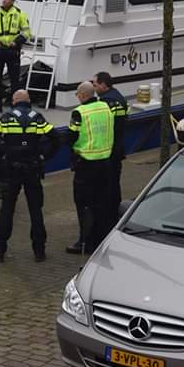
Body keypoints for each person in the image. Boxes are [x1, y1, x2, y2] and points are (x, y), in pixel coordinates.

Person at [0, 89, 53, 263]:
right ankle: (39, 251)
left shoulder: (7, 118)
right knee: (35, 210)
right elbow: (54, 138)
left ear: (14, 101)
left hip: (12, 169)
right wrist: (43, 155)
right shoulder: (38, 117)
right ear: (28, 100)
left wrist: (4, 152)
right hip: (33, 169)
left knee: (7, 209)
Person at [63, 81, 114, 255]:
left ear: (83, 95)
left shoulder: (79, 112)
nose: (77, 98)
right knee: (101, 203)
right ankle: (101, 238)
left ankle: (85, 241)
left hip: (86, 164)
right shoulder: (105, 107)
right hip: (105, 162)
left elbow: (71, 136)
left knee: (84, 205)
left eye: (78, 95)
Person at [0, 0, 32, 114]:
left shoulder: (20, 14)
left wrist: (16, 42)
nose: (4, 0)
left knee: (15, 80)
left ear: (12, 1)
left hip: (12, 51)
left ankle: (14, 105)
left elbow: (27, 32)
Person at [92, 72, 128, 237]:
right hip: (118, 147)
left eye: (95, 84)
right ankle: (116, 213)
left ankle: (110, 218)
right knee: (115, 184)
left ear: (103, 85)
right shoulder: (118, 97)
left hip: (110, 150)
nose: (94, 87)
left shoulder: (107, 102)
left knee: (109, 185)